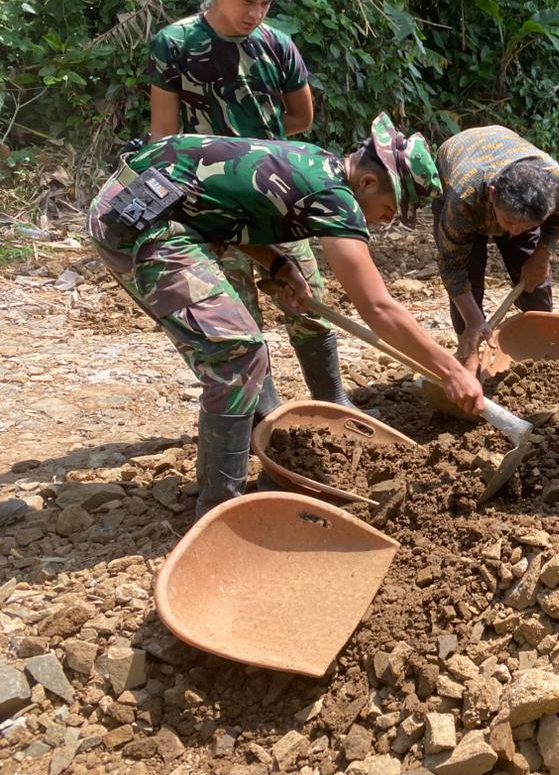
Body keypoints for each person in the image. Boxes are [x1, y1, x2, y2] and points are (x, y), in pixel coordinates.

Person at [87, 114, 484, 518]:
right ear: (367, 182)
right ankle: (221, 511)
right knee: (235, 353)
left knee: (242, 349)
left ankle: (263, 448)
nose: (384, 222)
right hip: (139, 219)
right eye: (388, 209)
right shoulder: (335, 196)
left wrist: (277, 264)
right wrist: (451, 371)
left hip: (163, 204)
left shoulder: (317, 163)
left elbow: (224, 206)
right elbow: (379, 308)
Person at [147, 0, 346, 416]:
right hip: (209, 211)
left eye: (266, 2)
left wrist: (260, 155)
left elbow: (302, 117)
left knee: (308, 303)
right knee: (239, 323)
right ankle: (270, 422)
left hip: (277, 200)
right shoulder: (174, 45)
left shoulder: (277, 46)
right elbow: (163, 140)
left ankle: (335, 401)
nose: (257, 13)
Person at [430, 126, 559, 369]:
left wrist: (543, 252)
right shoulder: (464, 196)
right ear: (493, 195)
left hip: (507, 176)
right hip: (462, 174)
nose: (515, 231)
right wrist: (475, 322)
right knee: (469, 285)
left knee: (535, 280)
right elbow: (453, 267)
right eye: (509, 223)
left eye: (527, 225)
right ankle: (469, 357)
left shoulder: (556, 185)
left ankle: (540, 353)